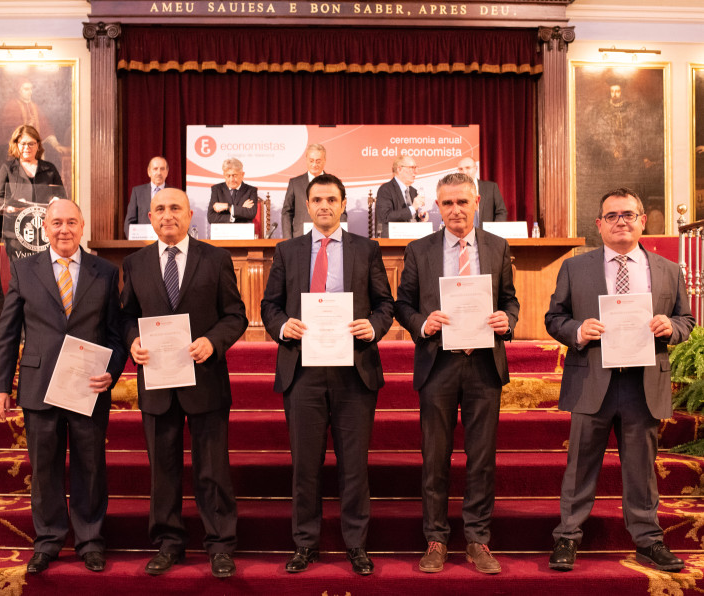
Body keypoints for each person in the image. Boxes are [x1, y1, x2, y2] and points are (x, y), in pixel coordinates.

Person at [545, 187, 694, 573]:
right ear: (599, 224)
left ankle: (648, 541)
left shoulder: (668, 269)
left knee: (642, 468)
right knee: (580, 464)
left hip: (642, 383)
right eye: (611, 216)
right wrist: (579, 330)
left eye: (628, 214)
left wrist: (671, 327)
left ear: (642, 221)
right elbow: (555, 319)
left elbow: (686, 320)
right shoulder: (575, 268)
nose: (620, 222)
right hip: (592, 379)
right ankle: (568, 536)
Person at [261, 173, 394, 576]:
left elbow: (385, 304)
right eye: (317, 200)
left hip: (354, 370)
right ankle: (305, 543)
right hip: (303, 369)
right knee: (305, 464)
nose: (324, 206)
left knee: (354, 464)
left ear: (342, 204)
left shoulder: (366, 249)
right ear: (307, 205)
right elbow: (270, 306)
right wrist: (283, 326)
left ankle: (356, 544)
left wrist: (374, 326)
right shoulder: (287, 250)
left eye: (331, 200)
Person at [0, 198, 127, 575]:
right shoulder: (24, 269)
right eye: (57, 223)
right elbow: (7, 332)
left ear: (82, 227)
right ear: (45, 228)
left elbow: (116, 334)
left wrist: (112, 371)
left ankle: (90, 541)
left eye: (71, 222)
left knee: (91, 467)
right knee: (45, 469)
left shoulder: (105, 271)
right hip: (39, 386)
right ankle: (48, 541)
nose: (64, 229)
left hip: (88, 387)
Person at [395, 172, 519, 575]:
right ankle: (436, 539)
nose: (455, 211)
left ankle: (478, 539)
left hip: (484, 364)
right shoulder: (419, 250)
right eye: (447, 203)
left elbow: (511, 302)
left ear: (477, 202)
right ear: (437, 206)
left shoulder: (497, 247)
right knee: (435, 457)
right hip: (438, 364)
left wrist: (507, 320)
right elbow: (403, 304)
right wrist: (422, 323)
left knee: (481, 458)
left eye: (462, 202)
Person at [120, 188, 248, 578]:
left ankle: (220, 544)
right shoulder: (135, 263)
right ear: (150, 217)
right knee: (163, 470)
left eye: (175, 208)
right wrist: (132, 341)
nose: (168, 215)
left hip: (205, 380)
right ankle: (169, 543)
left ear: (190, 215)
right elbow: (125, 316)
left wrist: (213, 341)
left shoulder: (216, 259)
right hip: (157, 382)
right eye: (160, 209)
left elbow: (235, 315)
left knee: (212, 469)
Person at [0, 125, 66, 260]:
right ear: (16, 145)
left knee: (44, 270)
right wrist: (10, 206)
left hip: (45, 233)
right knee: (20, 271)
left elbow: (62, 196)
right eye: (23, 143)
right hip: (16, 233)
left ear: (38, 145)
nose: (27, 147)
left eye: (31, 143)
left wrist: (56, 200)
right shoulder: (7, 169)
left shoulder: (49, 169)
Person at [281, 144, 346, 238]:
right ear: (306, 160)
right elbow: (287, 213)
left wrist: (341, 236)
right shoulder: (295, 183)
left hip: (329, 237)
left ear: (324, 160)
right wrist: (288, 239)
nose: (314, 165)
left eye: (318, 161)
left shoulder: (335, 183)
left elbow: (341, 212)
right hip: (300, 237)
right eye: (311, 161)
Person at [375, 155, 428, 237]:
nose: (415, 172)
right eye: (412, 168)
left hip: (413, 238)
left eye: (416, 168)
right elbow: (385, 217)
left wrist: (420, 218)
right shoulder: (385, 189)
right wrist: (413, 208)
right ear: (399, 169)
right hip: (393, 240)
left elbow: (410, 219)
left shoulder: (413, 191)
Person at [123, 156, 169, 238]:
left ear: (167, 172)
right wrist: (133, 241)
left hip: (167, 242)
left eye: (162, 169)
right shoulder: (137, 192)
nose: (159, 172)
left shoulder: (176, 193)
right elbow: (129, 222)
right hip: (143, 242)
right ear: (149, 172)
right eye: (155, 169)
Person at [455, 156, 508, 227]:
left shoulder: (491, 187)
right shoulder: (454, 189)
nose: (464, 172)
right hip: (462, 231)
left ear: (476, 169)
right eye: (461, 169)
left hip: (486, 232)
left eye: (468, 168)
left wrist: (494, 229)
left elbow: (501, 211)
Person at [207, 158, 258, 225]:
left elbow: (251, 213)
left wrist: (228, 206)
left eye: (234, 175)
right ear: (224, 175)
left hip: (243, 230)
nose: (231, 180)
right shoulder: (217, 189)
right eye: (228, 176)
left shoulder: (251, 190)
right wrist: (240, 210)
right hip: (223, 230)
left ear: (242, 174)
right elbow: (211, 217)